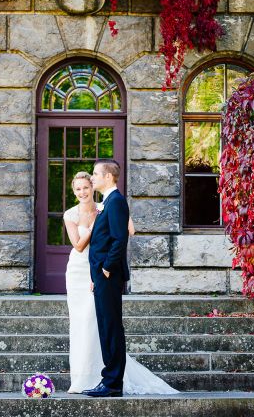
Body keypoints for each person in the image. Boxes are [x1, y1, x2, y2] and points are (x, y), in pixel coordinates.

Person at [64, 169, 178, 396]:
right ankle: (106, 379)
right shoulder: (105, 204)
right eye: (79, 188)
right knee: (103, 327)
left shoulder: (113, 202)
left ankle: (112, 382)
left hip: (105, 273)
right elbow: (84, 243)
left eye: (93, 178)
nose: (87, 187)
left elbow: (122, 236)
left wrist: (105, 268)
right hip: (88, 271)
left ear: (106, 176)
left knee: (110, 327)